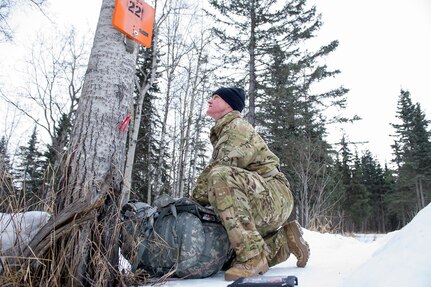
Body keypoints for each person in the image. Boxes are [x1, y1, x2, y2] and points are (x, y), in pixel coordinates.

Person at [192, 87, 310, 281]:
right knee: (225, 258)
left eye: (215, 97)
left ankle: (253, 258)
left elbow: (219, 171)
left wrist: (191, 202)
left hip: (274, 193)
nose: (209, 101)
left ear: (229, 104)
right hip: (261, 198)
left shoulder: (236, 127)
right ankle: (284, 242)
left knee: (220, 176)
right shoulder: (224, 129)